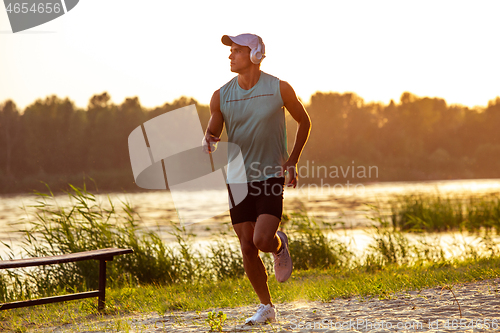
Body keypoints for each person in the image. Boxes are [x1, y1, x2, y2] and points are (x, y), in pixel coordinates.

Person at [202, 33, 311, 325]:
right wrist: (210, 135)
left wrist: (293, 159)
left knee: (261, 240)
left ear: (255, 55)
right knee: (247, 245)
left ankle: (278, 246)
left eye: (236, 51)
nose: (230, 56)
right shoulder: (221, 94)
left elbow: (305, 121)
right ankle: (267, 307)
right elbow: (216, 122)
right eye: (231, 51)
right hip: (237, 178)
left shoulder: (279, 88)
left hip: (270, 174)